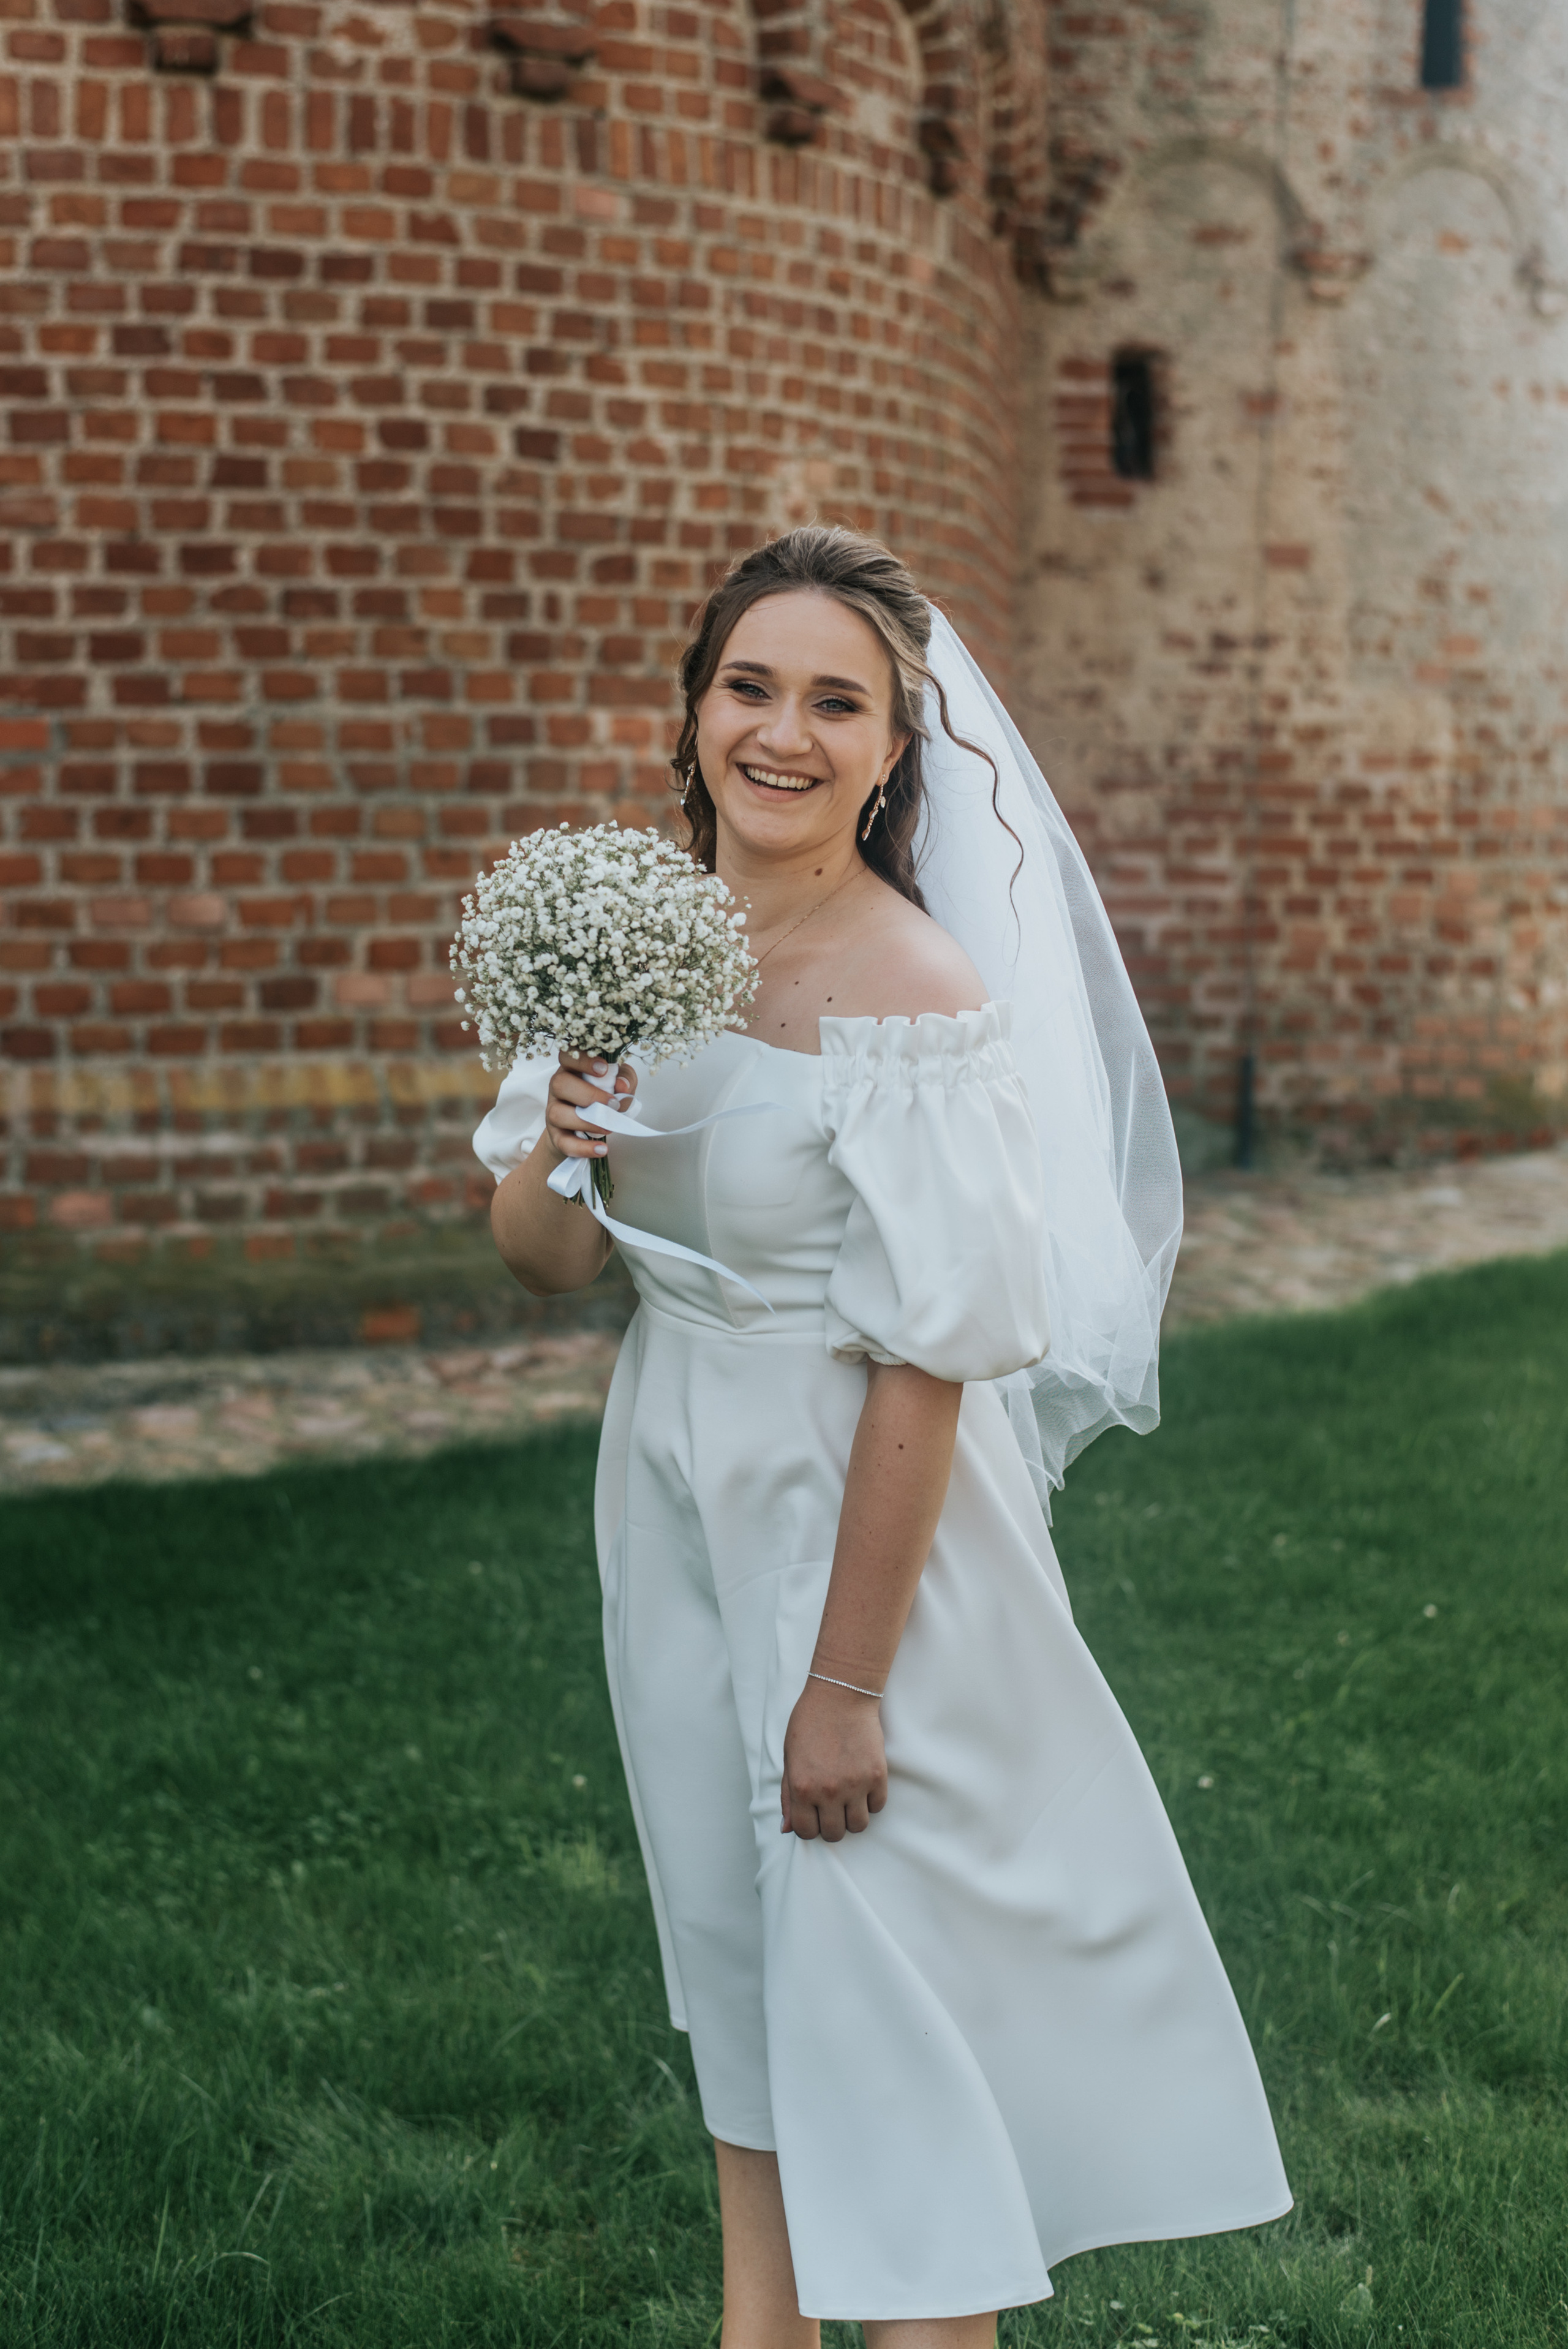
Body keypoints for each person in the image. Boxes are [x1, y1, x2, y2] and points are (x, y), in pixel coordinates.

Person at [475, 527, 1290, 2347]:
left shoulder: (913, 997)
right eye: (750, 686)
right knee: (745, 1990)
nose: (785, 730)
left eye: (835, 700)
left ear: (894, 745)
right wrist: (567, 1133)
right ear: (693, 716)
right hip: (674, 1480)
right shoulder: (632, 931)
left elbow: (928, 1364)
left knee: (887, 2011)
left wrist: (845, 1683)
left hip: (868, 1522)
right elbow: (539, 1261)